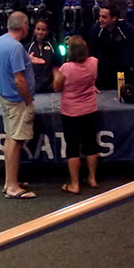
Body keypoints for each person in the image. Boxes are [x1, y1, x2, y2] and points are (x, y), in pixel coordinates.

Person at [0, 11, 38, 199]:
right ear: (24, 26)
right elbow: (19, 79)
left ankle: (9, 181)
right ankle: (12, 187)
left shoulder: (1, 41)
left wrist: (28, 60)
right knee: (16, 141)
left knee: (11, 139)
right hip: (17, 102)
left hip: (5, 98)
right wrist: (28, 102)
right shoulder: (16, 47)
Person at [52, 36, 100, 194]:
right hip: (90, 109)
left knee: (72, 147)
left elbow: (57, 87)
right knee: (90, 144)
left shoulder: (66, 68)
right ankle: (92, 178)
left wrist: (55, 72)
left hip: (71, 112)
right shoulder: (94, 62)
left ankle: (74, 184)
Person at [88, 1, 134, 91]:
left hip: (123, 74)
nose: (100, 20)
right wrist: (91, 81)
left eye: (104, 17)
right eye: (99, 16)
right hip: (103, 74)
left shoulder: (126, 29)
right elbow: (92, 55)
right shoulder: (96, 30)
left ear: (114, 18)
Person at [25, 18, 58, 93]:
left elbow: (57, 67)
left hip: (49, 89)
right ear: (34, 30)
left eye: (43, 30)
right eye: (38, 29)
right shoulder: (28, 47)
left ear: (47, 31)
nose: (40, 32)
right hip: (33, 88)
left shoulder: (53, 46)